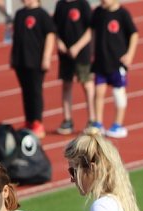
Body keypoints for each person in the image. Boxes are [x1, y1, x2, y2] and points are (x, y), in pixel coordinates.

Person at [89, 0, 137, 139]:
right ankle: (98, 123)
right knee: (98, 92)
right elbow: (93, 33)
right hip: (101, 61)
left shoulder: (123, 14)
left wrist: (129, 55)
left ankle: (118, 124)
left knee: (118, 93)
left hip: (117, 62)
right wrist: (92, 52)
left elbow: (134, 34)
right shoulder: (98, 13)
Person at [9, 0, 55, 139]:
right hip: (21, 60)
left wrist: (46, 57)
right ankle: (29, 121)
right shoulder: (19, 14)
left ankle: (37, 122)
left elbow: (50, 35)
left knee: (35, 91)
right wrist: (12, 56)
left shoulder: (42, 14)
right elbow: (15, 37)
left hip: (35, 60)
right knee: (26, 91)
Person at [53, 0, 95, 135]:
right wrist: (59, 42)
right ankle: (67, 119)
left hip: (81, 53)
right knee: (66, 85)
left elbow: (90, 29)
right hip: (65, 54)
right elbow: (55, 28)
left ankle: (92, 119)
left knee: (86, 84)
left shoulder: (83, 4)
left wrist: (77, 47)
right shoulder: (60, 5)